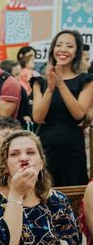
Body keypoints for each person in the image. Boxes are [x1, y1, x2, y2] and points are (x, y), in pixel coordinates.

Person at [32, 30, 93, 186]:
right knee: (44, 191)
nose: (63, 49)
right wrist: (50, 88)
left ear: (76, 53)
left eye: (69, 46)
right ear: (53, 50)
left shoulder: (85, 81)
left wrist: (60, 84)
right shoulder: (40, 81)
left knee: (73, 194)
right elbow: (38, 117)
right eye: (58, 45)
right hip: (45, 145)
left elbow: (79, 114)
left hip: (72, 147)